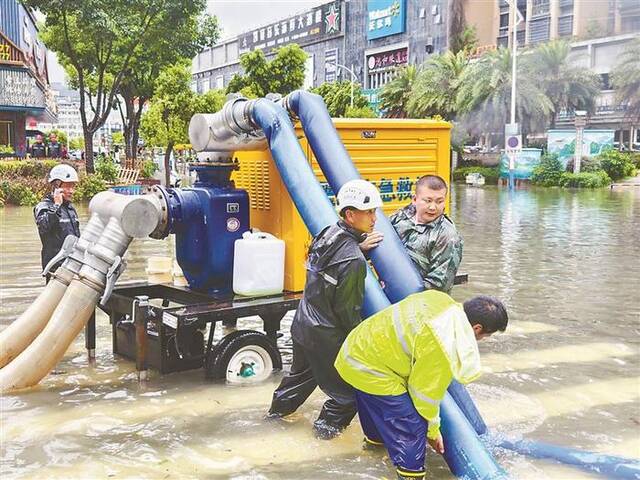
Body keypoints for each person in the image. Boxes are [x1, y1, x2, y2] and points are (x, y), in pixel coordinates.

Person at [335, 291, 508, 480]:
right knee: (413, 426)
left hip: (355, 351)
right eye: (486, 336)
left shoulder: (438, 298)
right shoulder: (444, 341)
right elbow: (423, 395)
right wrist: (433, 431)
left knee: (377, 406)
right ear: (476, 328)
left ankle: (373, 450)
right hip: (372, 369)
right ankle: (411, 475)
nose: (483, 340)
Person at [268, 179, 383, 440]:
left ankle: (272, 421)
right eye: (369, 212)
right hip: (325, 335)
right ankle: (321, 439)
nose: (375, 218)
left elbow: (327, 266)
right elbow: (347, 311)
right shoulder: (353, 260)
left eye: (375, 211)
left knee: (298, 380)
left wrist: (359, 248)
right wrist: (361, 343)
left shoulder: (328, 233)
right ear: (350, 215)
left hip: (303, 324)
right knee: (347, 396)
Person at [387, 174, 463, 294]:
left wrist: (400, 290)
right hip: (387, 290)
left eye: (439, 201)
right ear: (415, 199)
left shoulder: (448, 236)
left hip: (421, 303)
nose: (433, 207)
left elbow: (438, 285)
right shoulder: (400, 218)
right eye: (428, 201)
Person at [34, 164, 80, 281]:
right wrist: (56, 205)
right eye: (68, 186)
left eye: (73, 186)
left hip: (73, 266)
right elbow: (44, 226)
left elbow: (76, 238)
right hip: (55, 269)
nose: (71, 191)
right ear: (56, 186)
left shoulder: (70, 209)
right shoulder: (43, 207)